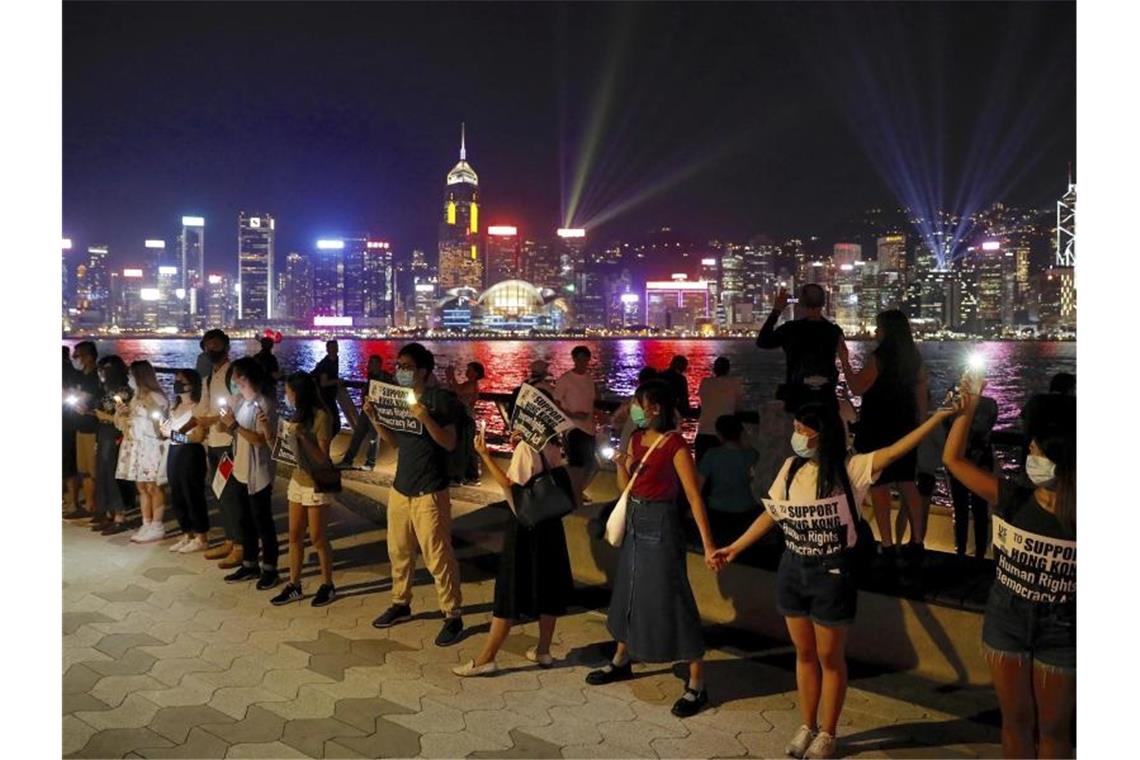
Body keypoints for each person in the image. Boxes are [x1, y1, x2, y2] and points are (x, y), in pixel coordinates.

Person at [712, 401, 957, 759]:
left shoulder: (851, 469)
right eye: (796, 429)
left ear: (824, 437)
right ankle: (806, 724)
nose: (797, 437)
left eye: (804, 432)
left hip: (832, 572)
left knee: (830, 656)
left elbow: (893, 453)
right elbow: (772, 513)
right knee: (805, 653)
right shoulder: (791, 468)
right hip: (793, 567)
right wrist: (734, 548)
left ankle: (828, 731)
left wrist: (937, 418)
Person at [943, 384, 1075, 759]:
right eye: (1030, 449)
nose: (1030, 456)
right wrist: (967, 409)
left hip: (1063, 630)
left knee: (1054, 730)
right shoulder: (1013, 496)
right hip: (1007, 620)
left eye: (1039, 452)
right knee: (1015, 722)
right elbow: (953, 460)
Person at [584, 380, 718, 719]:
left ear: (655, 407)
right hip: (636, 518)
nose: (633, 407)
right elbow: (624, 486)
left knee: (672, 597)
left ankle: (697, 683)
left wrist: (708, 544)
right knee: (628, 591)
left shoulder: (675, 445)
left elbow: (692, 496)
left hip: (661, 525)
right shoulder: (636, 438)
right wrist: (619, 464)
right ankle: (621, 659)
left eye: (638, 402)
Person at [453, 423, 575, 676]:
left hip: (525, 527)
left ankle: (486, 657)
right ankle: (543, 650)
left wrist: (485, 454)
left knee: (509, 590)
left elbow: (509, 483)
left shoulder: (526, 448)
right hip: (550, 526)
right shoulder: (553, 444)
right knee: (547, 587)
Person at [365, 343, 466, 647]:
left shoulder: (440, 401)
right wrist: (375, 418)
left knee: (438, 557)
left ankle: (452, 614)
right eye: (398, 366)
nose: (399, 371)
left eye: (406, 366)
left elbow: (448, 442)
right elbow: (395, 443)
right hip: (401, 487)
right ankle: (400, 603)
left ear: (423, 371)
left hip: (430, 490)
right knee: (398, 551)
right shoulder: (399, 400)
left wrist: (425, 417)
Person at [840, 310, 928, 560]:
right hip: (906, 429)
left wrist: (844, 360)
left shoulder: (880, 358)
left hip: (877, 426)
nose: (876, 332)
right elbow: (921, 401)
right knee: (908, 483)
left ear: (888, 330)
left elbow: (857, 387)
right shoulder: (915, 358)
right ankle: (917, 541)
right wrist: (919, 429)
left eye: (879, 328)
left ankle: (887, 545)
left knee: (880, 485)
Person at [270, 372, 337, 607]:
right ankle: (294, 584)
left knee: (318, 537)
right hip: (298, 480)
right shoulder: (296, 416)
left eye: (288, 391)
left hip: (316, 483)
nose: (286, 396)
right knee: (295, 535)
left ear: (297, 393)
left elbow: (322, 458)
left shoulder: (322, 417)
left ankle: (328, 584)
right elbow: (285, 451)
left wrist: (303, 437)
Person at [216, 358, 279, 589]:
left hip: (258, 473)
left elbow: (261, 441)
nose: (233, 380)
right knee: (244, 521)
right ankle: (250, 564)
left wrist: (233, 425)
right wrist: (225, 421)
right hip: (239, 469)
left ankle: (270, 569)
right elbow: (231, 432)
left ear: (245, 377)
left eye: (236, 376)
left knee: (263, 522)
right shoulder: (240, 402)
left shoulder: (265, 404)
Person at [194, 329, 243, 567]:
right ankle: (230, 539)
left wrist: (213, 419)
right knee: (220, 492)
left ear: (226, 346)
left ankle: (241, 545)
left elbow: (237, 402)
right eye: (207, 346)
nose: (211, 350)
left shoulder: (233, 374)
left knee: (231, 495)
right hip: (213, 443)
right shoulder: (208, 377)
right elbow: (203, 407)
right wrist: (201, 422)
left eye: (215, 345)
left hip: (228, 444)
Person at [757, 284, 844, 414]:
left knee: (801, 434)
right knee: (826, 433)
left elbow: (763, 341)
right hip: (826, 399)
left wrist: (777, 310)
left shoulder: (791, 329)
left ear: (801, 304)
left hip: (798, 399)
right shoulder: (834, 331)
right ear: (823, 303)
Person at [115, 360, 170, 543]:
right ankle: (146, 522)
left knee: (154, 486)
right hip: (137, 446)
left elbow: (161, 425)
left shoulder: (155, 397)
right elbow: (123, 424)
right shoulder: (135, 398)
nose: (129, 379)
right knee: (141, 487)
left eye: (131, 375)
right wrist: (121, 414)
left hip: (151, 445)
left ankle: (157, 524)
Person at [160, 370, 210, 553]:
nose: (177, 383)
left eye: (181, 381)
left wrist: (172, 435)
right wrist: (164, 433)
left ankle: (201, 536)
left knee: (192, 493)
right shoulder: (175, 407)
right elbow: (168, 433)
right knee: (177, 494)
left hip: (190, 453)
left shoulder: (197, 408)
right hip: (174, 451)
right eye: (176, 380)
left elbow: (196, 438)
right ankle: (186, 533)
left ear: (192, 385)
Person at [697, 414, 760, 551]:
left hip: (718, 510)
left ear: (719, 434)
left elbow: (698, 485)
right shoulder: (752, 455)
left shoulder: (712, 455)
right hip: (746, 509)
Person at [946, 393, 998, 558]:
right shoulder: (990, 405)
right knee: (980, 510)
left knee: (960, 508)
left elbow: (946, 424)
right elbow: (990, 425)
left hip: (959, 461)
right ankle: (980, 553)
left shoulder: (957, 402)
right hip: (982, 462)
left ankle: (960, 550)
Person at [89, 356, 133, 535]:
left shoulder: (123, 391)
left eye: (104, 371)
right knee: (103, 471)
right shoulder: (107, 388)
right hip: (104, 431)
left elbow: (123, 416)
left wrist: (103, 415)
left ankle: (119, 515)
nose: (102, 374)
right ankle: (108, 512)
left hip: (115, 432)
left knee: (112, 472)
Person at [554, 346, 599, 505]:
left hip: (589, 428)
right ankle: (575, 497)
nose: (582, 362)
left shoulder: (589, 379)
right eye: (579, 359)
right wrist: (573, 415)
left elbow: (592, 403)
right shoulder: (565, 380)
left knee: (592, 465)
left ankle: (575, 492)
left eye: (585, 359)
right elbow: (555, 404)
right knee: (578, 466)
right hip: (573, 429)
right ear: (573, 359)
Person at [67, 341, 102, 521]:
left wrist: (83, 404)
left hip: (92, 427)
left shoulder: (97, 376)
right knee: (84, 470)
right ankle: (88, 505)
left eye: (78, 355)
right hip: (80, 426)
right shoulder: (80, 376)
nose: (75, 359)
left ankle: (95, 506)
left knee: (93, 469)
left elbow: (93, 399)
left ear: (89, 356)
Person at [337, 354, 389, 470]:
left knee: (373, 437)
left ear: (378, 365)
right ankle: (348, 460)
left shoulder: (384, 378)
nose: (369, 365)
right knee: (358, 436)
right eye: (369, 363)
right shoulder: (372, 376)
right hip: (366, 411)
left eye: (371, 363)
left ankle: (369, 463)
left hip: (376, 412)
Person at [696, 357, 744, 463]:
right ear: (728, 369)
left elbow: (703, 401)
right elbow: (739, 407)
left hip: (704, 432)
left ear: (714, 369)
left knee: (700, 471)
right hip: (725, 434)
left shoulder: (705, 383)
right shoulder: (735, 383)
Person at [446, 360, 486, 485]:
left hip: (466, 419)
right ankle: (467, 475)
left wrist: (452, 377)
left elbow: (458, 391)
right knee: (464, 447)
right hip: (464, 418)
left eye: (469, 370)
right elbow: (455, 389)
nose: (466, 371)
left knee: (465, 448)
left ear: (476, 373)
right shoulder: (468, 383)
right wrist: (450, 379)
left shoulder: (472, 384)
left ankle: (467, 476)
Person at [612, 367, 659, 455]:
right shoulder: (653, 402)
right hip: (639, 445)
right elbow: (641, 422)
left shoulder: (635, 400)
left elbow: (616, 421)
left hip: (628, 441)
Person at [63, 346, 81, 515]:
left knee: (68, 463)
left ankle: (72, 502)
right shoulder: (74, 373)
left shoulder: (69, 374)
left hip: (67, 423)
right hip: (69, 422)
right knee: (68, 463)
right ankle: (71, 501)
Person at [313, 339, 341, 438]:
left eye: (336, 347)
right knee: (334, 424)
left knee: (331, 422)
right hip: (324, 397)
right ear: (327, 349)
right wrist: (337, 381)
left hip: (327, 396)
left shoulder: (334, 360)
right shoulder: (326, 364)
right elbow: (323, 383)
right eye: (332, 347)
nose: (335, 349)